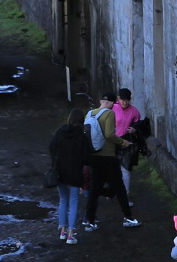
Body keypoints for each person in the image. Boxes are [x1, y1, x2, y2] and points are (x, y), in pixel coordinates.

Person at [82, 92, 141, 231]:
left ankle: (89, 221)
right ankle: (129, 218)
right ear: (112, 103)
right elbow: (109, 134)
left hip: (94, 156)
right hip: (108, 156)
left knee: (94, 189)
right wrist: (123, 142)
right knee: (120, 188)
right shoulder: (109, 114)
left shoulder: (90, 113)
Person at [49, 108, 92, 244]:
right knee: (73, 202)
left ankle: (62, 231)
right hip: (74, 172)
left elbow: (51, 147)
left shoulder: (60, 132)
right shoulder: (82, 136)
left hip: (60, 171)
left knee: (63, 200)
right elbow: (86, 158)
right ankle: (71, 234)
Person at [113, 87, 141, 204]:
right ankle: (112, 191)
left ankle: (126, 196)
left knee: (126, 169)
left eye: (127, 100)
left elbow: (139, 125)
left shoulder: (134, 111)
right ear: (118, 99)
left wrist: (134, 129)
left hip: (126, 143)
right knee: (113, 169)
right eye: (122, 99)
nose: (124, 102)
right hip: (113, 141)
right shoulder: (112, 108)